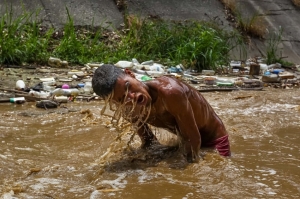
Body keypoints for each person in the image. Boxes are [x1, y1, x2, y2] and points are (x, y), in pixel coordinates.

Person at [92, 64, 231, 162]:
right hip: (187, 141)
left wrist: (187, 174)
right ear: (116, 103)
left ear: (130, 74)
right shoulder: (129, 111)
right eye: (123, 99)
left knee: (218, 173)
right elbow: (149, 142)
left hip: (213, 139)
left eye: (128, 86)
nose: (132, 97)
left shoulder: (171, 93)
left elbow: (193, 140)